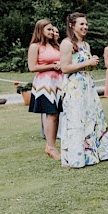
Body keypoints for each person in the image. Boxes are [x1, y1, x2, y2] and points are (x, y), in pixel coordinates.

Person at [59, 13, 108, 168]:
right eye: (81, 24)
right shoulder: (67, 43)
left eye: (86, 24)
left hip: (87, 85)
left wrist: (92, 64)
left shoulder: (86, 45)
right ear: (72, 25)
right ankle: (75, 158)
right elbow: (65, 68)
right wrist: (87, 63)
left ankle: (92, 155)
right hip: (74, 87)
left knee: (91, 117)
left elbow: (85, 66)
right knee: (76, 119)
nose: (85, 27)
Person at [26, 19, 64, 160]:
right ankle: (50, 146)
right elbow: (32, 67)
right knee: (51, 114)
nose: (52, 32)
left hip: (58, 83)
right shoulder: (35, 46)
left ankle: (53, 145)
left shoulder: (56, 46)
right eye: (48, 29)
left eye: (52, 29)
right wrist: (52, 66)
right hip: (45, 84)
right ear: (40, 30)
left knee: (57, 114)